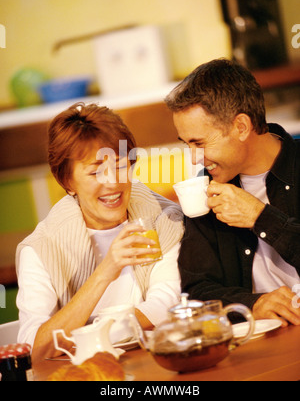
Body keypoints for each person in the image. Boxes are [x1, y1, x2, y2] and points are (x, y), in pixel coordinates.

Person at [16, 102, 183, 363]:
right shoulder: (40, 249)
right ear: (67, 181)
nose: (113, 182)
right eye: (95, 171)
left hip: (158, 366)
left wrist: (86, 336)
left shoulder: (163, 219)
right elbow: (35, 348)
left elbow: (167, 305)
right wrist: (106, 270)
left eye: (120, 165)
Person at [165, 58, 300, 327]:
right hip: (259, 343)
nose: (194, 158)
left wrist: (262, 218)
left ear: (241, 126)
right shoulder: (204, 188)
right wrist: (254, 305)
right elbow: (196, 291)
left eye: (199, 143)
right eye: (187, 144)